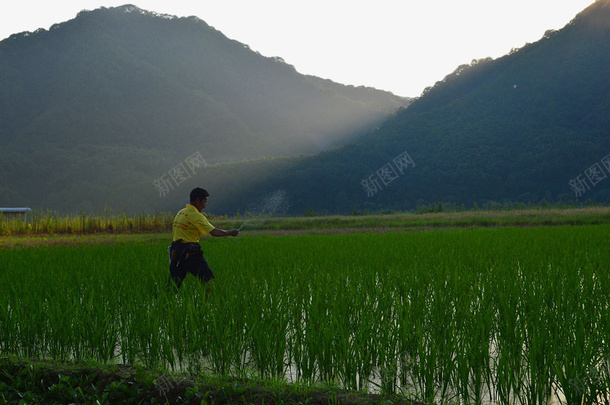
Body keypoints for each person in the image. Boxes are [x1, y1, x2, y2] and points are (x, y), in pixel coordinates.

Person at [169, 187, 239, 289]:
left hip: (176, 252)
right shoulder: (196, 216)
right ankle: (207, 304)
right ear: (198, 201)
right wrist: (231, 232)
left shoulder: (181, 212)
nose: (205, 205)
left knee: (174, 284)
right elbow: (214, 232)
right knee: (208, 280)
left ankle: (167, 304)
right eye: (204, 202)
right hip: (190, 252)